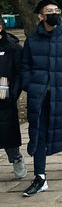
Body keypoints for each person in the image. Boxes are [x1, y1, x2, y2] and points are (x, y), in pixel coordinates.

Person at [21, 0, 62, 196]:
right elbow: (25, 66)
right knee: (38, 133)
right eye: (49, 10)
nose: (54, 13)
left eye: (57, 9)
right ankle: (40, 177)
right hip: (39, 95)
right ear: (41, 15)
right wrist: (29, 85)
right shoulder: (32, 40)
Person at [0, 17, 27, 179]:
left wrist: (14, 93)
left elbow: (20, 73)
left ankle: (16, 158)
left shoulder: (13, 47)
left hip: (5, 96)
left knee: (7, 132)